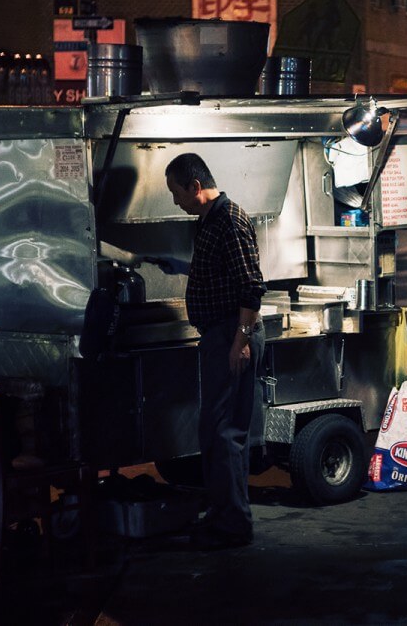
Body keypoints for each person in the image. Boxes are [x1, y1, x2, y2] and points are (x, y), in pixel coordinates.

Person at [164, 153, 267, 550]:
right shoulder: (210, 221)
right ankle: (226, 515)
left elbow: (250, 286)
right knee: (218, 432)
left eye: (177, 193)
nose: (176, 201)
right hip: (220, 334)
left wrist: (240, 342)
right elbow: (220, 273)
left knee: (224, 432)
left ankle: (233, 525)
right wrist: (179, 266)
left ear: (195, 186)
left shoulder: (229, 220)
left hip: (230, 335)